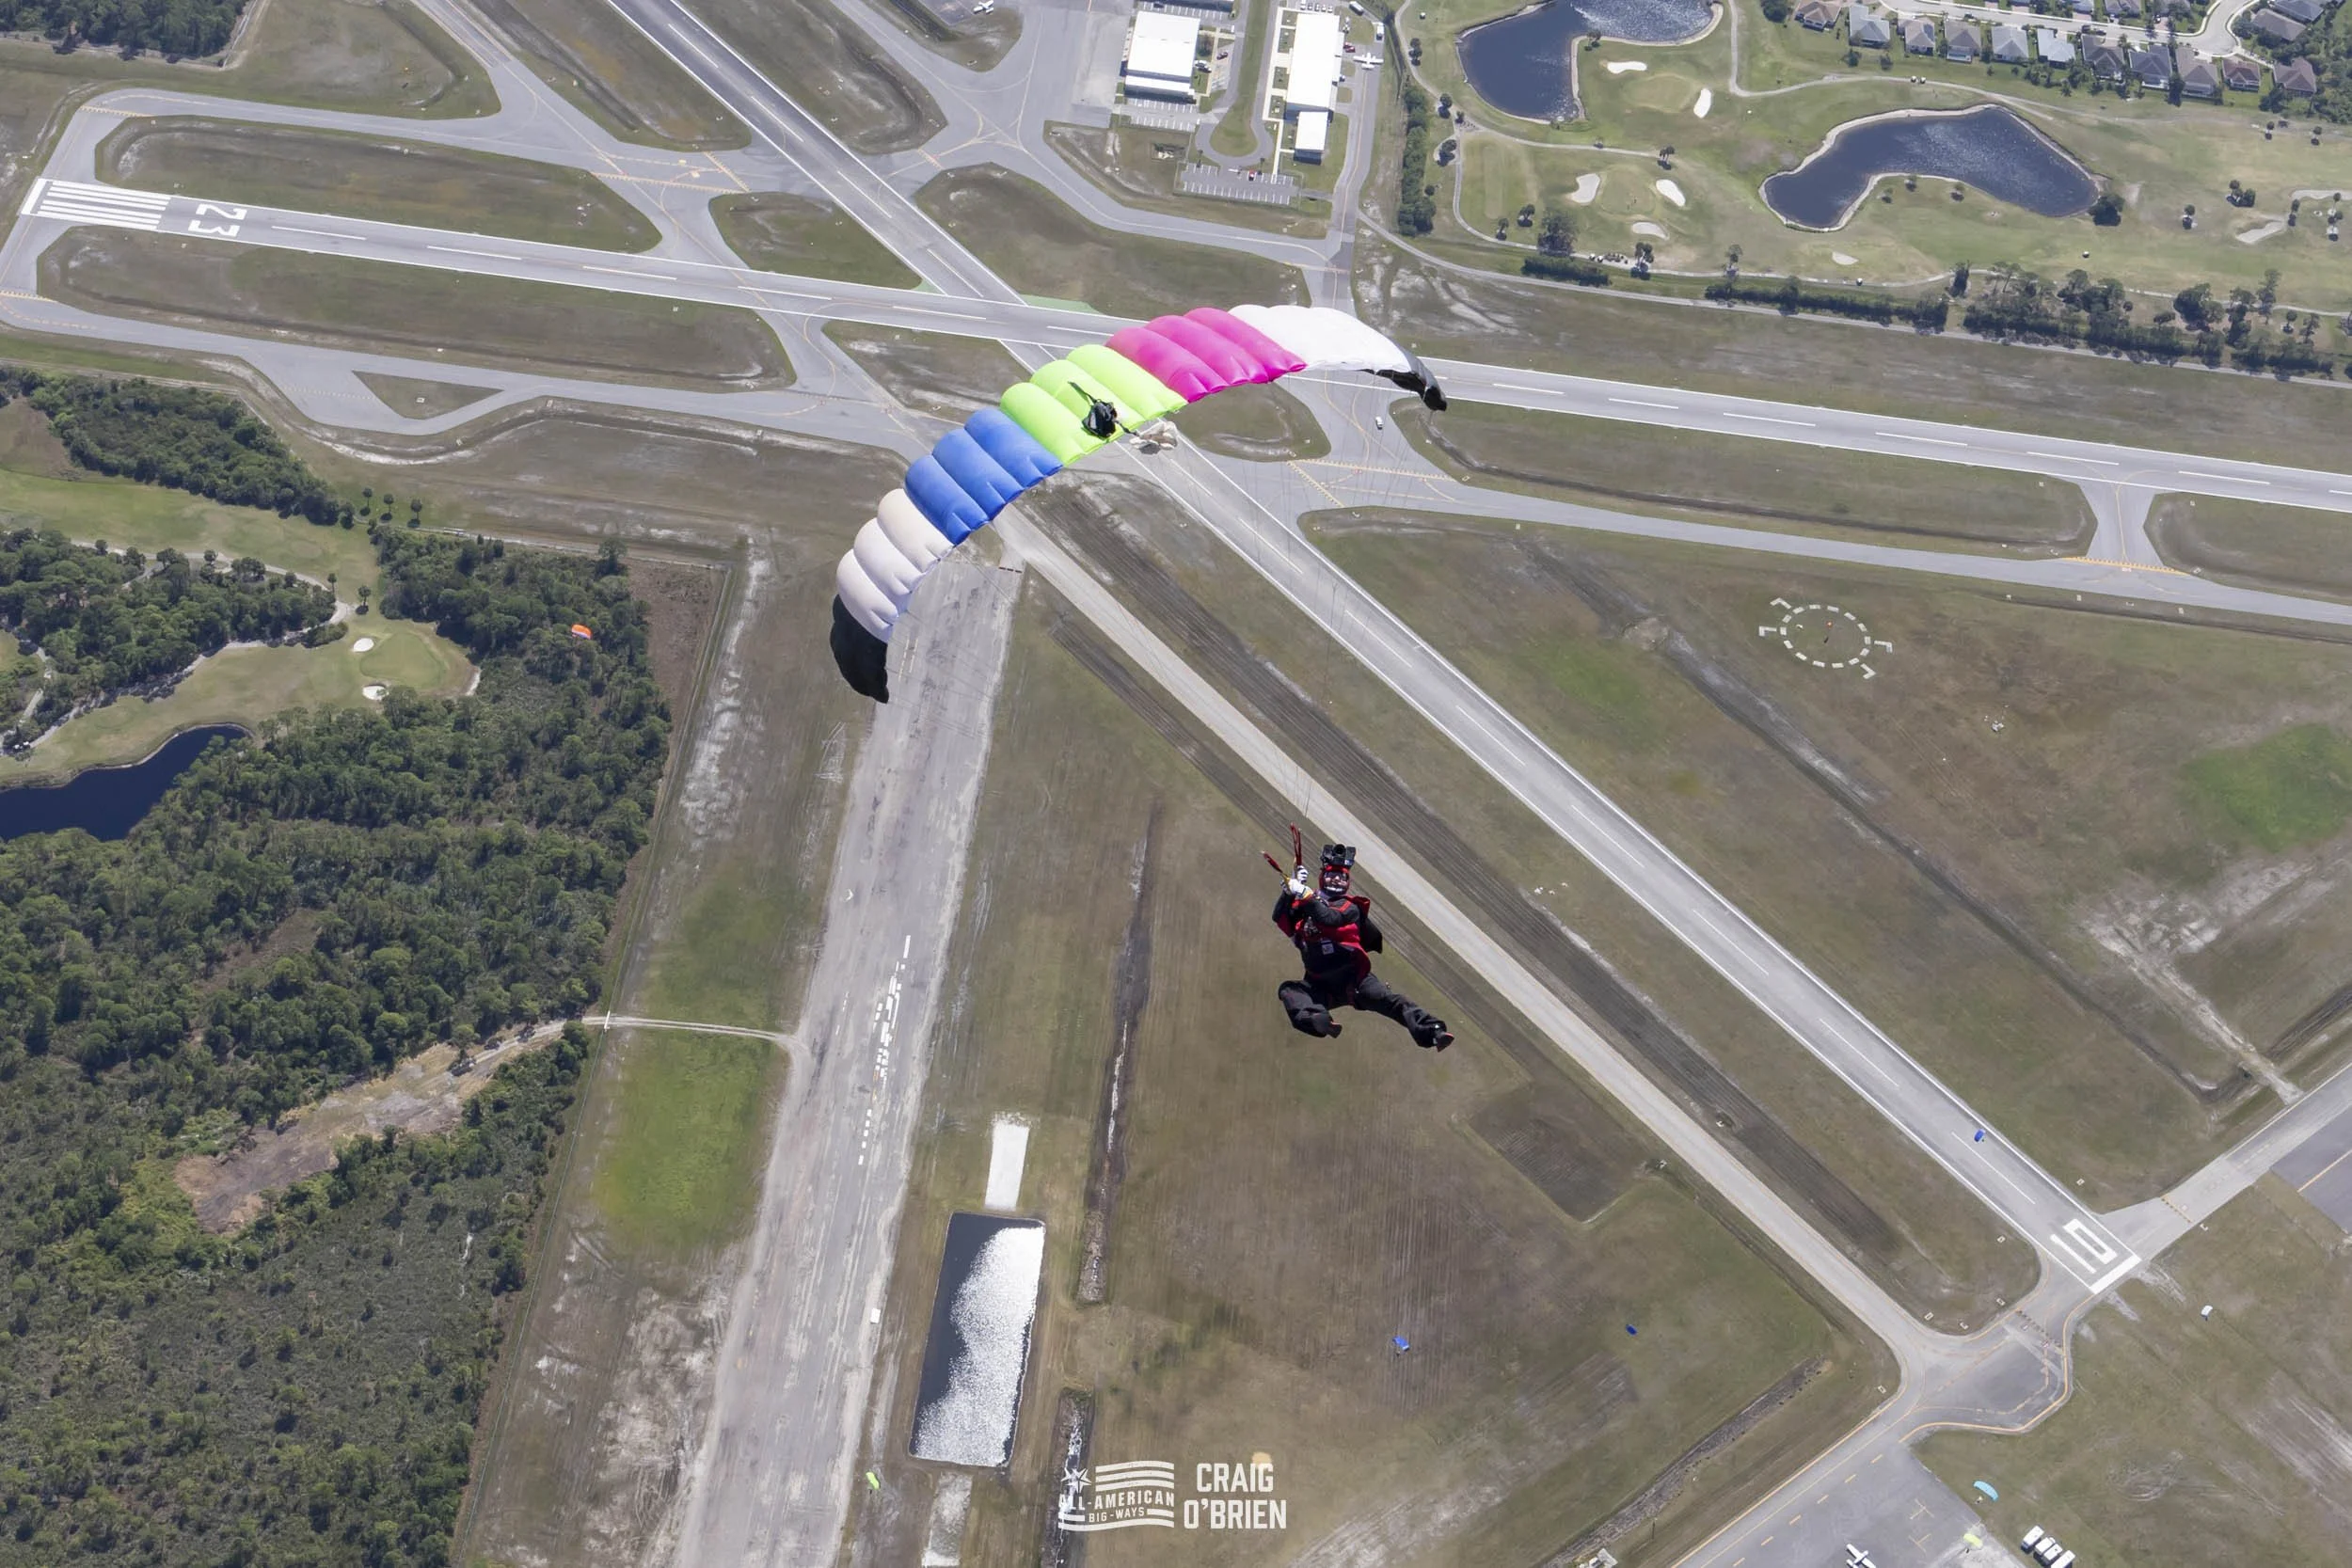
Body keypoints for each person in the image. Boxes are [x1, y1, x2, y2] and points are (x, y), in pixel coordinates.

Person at [1273, 844, 1452, 1049]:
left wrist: (1306, 894)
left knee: (1391, 1001)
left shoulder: (1350, 907)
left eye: (1342, 876)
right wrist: (1288, 893)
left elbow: (1328, 918)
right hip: (1320, 985)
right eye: (1332, 874)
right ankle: (1318, 1021)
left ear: (1348, 882)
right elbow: (1280, 918)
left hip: (1355, 982)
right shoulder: (1306, 909)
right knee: (1289, 991)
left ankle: (1433, 1031)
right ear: (1323, 876)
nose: (1337, 879)